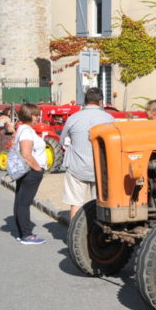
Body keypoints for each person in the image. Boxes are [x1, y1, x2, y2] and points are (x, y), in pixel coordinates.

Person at [59, 87, 115, 220]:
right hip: (100, 168)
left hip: (76, 167)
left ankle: (73, 235)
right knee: (100, 204)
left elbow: (62, 141)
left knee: (76, 204)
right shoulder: (109, 118)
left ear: (85, 101)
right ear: (100, 102)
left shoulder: (73, 118)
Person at [13, 102, 47, 244]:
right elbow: (26, 154)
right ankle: (27, 235)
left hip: (26, 171)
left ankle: (22, 232)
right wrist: (38, 168)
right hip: (31, 172)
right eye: (35, 115)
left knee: (20, 201)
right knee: (24, 202)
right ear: (29, 115)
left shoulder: (23, 129)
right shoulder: (26, 131)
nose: (37, 117)